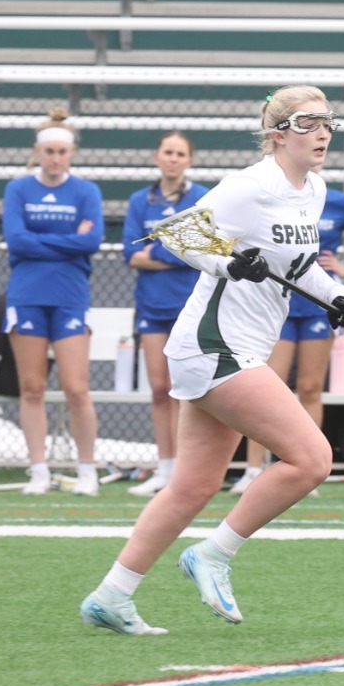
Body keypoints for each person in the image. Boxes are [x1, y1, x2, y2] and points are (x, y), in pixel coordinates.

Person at [79, 86, 344, 635]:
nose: (323, 131)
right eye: (308, 122)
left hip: (236, 346)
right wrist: (229, 264)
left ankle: (112, 595)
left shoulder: (315, 189)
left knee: (192, 485)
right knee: (311, 459)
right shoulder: (250, 185)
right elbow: (179, 234)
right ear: (277, 133)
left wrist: (337, 298)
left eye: (328, 120)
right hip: (215, 345)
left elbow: (299, 265)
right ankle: (214, 553)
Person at [236, 181, 344, 495]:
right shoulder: (272, 194)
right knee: (266, 386)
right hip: (280, 304)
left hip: (318, 307)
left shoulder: (337, 201)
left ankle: (306, 469)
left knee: (310, 387)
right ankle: (252, 468)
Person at [3, 109, 104, 497]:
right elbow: (16, 240)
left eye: (62, 151)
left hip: (70, 296)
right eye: (49, 151)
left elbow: (91, 242)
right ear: (37, 151)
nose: (56, 158)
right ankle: (39, 469)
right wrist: (68, 240)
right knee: (32, 388)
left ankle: (87, 469)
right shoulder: (18, 189)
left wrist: (39, 241)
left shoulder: (86, 192)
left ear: (72, 152)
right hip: (27, 295)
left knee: (77, 388)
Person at [121, 131, 209, 499]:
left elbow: (201, 249)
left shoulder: (201, 197)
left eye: (180, 153)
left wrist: (157, 253)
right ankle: (165, 468)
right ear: (156, 157)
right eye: (167, 152)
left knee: (188, 391)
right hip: (152, 307)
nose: (173, 159)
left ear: (189, 159)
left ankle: (188, 471)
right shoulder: (141, 201)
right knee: (160, 389)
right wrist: (173, 252)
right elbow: (131, 255)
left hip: (188, 306)